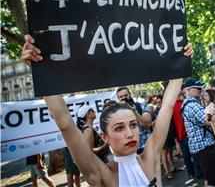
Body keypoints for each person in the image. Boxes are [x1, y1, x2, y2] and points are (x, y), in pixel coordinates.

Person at [21, 34, 193, 186]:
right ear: (104, 137)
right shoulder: (100, 174)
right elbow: (65, 123)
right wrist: (39, 68)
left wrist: (182, 59)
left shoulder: (151, 157)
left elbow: (168, 105)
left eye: (133, 125)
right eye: (119, 128)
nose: (130, 133)